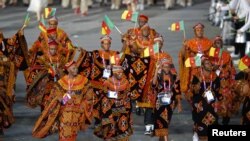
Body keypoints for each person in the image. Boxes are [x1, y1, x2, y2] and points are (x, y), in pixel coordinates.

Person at [32, 61, 94, 140]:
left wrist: (83, 105)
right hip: (65, 111)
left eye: (76, 68)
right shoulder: (61, 82)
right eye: (73, 68)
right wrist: (61, 98)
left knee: (73, 132)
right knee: (64, 131)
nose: (76, 70)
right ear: (68, 70)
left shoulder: (84, 81)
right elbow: (55, 95)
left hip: (77, 111)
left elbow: (89, 96)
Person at [139, 36, 178, 135]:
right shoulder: (148, 54)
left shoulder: (167, 56)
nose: (158, 45)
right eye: (155, 43)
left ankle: (159, 125)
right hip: (150, 84)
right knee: (149, 104)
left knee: (160, 106)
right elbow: (141, 68)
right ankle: (148, 126)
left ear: (162, 44)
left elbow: (173, 71)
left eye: (159, 43)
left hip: (162, 86)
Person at [0, 29, 29, 135]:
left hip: (5, 82)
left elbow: (13, 43)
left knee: (6, 102)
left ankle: (4, 122)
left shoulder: (5, 44)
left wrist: (19, 35)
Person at [94, 65, 133, 140]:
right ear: (114, 73)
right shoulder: (107, 82)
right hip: (110, 106)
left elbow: (128, 94)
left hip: (122, 106)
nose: (120, 74)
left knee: (123, 124)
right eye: (118, 73)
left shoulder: (126, 82)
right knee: (110, 125)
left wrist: (126, 104)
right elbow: (103, 94)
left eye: (121, 73)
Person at [26, 40, 67, 110]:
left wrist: (59, 71)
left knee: (63, 99)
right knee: (45, 100)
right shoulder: (43, 58)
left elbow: (65, 69)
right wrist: (47, 70)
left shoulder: (61, 58)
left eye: (54, 49)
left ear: (57, 49)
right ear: (49, 49)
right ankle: (44, 115)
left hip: (59, 82)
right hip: (46, 83)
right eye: (51, 49)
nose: (53, 51)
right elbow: (37, 68)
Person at [179, 23, 213, 100]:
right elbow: (183, 56)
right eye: (197, 30)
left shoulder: (209, 42)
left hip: (205, 69)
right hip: (194, 69)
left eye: (201, 30)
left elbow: (212, 57)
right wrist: (184, 46)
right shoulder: (189, 43)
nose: (200, 31)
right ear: (195, 32)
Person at [190, 57, 221, 141]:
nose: (209, 65)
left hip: (211, 105)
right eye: (207, 63)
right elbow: (193, 91)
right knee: (202, 127)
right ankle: (197, 132)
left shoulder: (215, 76)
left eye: (210, 63)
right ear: (202, 66)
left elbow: (218, 91)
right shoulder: (197, 76)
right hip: (200, 105)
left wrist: (220, 101)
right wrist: (198, 83)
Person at [152, 59, 182, 141]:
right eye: (164, 67)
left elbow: (177, 91)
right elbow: (153, 85)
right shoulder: (158, 76)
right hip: (159, 104)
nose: (166, 68)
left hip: (170, 104)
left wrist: (179, 104)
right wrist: (156, 70)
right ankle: (165, 139)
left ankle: (162, 138)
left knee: (166, 122)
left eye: (168, 67)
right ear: (162, 67)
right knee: (162, 122)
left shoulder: (174, 77)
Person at [209, 36, 236, 125]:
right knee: (213, 104)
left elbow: (232, 70)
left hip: (225, 83)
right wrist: (213, 68)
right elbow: (204, 67)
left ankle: (225, 121)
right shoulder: (210, 54)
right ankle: (214, 122)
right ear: (214, 44)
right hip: (213, 83)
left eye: (220, 42)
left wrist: (232, 83)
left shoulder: (226, 55)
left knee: (226, 103)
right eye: (216, 42)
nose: (218, 44)